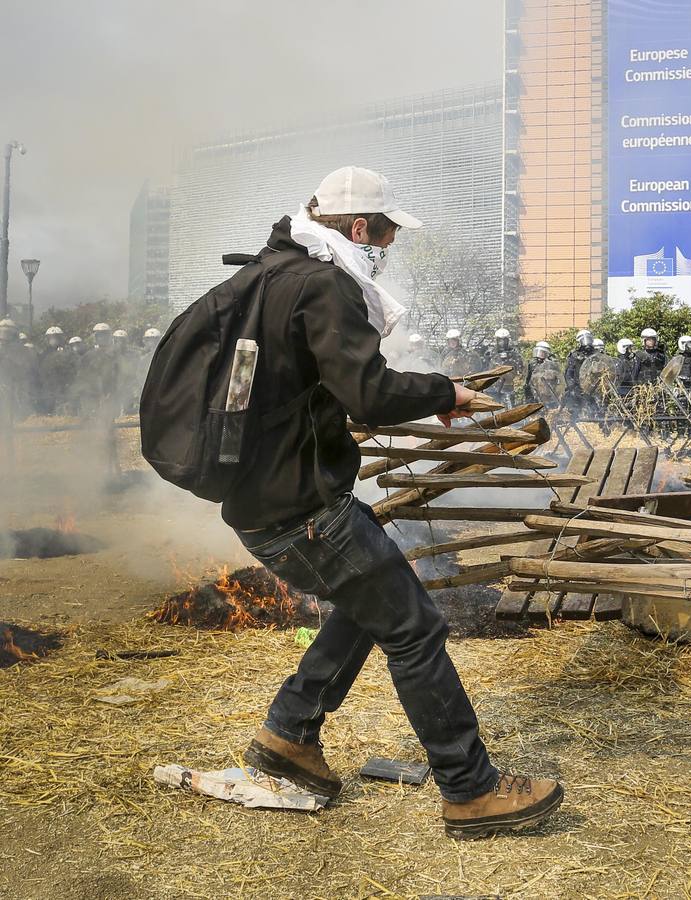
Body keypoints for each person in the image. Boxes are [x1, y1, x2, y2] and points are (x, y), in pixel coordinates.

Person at [208, 166, 562, 838]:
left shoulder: (268, 276)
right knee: (415, 626)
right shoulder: (324, 282)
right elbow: (367, 392)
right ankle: (470, 789)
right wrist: (442, 393)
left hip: (269, 500)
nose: (391, 244)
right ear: (361, 228)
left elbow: (321, 388)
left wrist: (400, 396)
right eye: (389, 232)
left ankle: (290, 733)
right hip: (303, 508)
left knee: (372, 606)